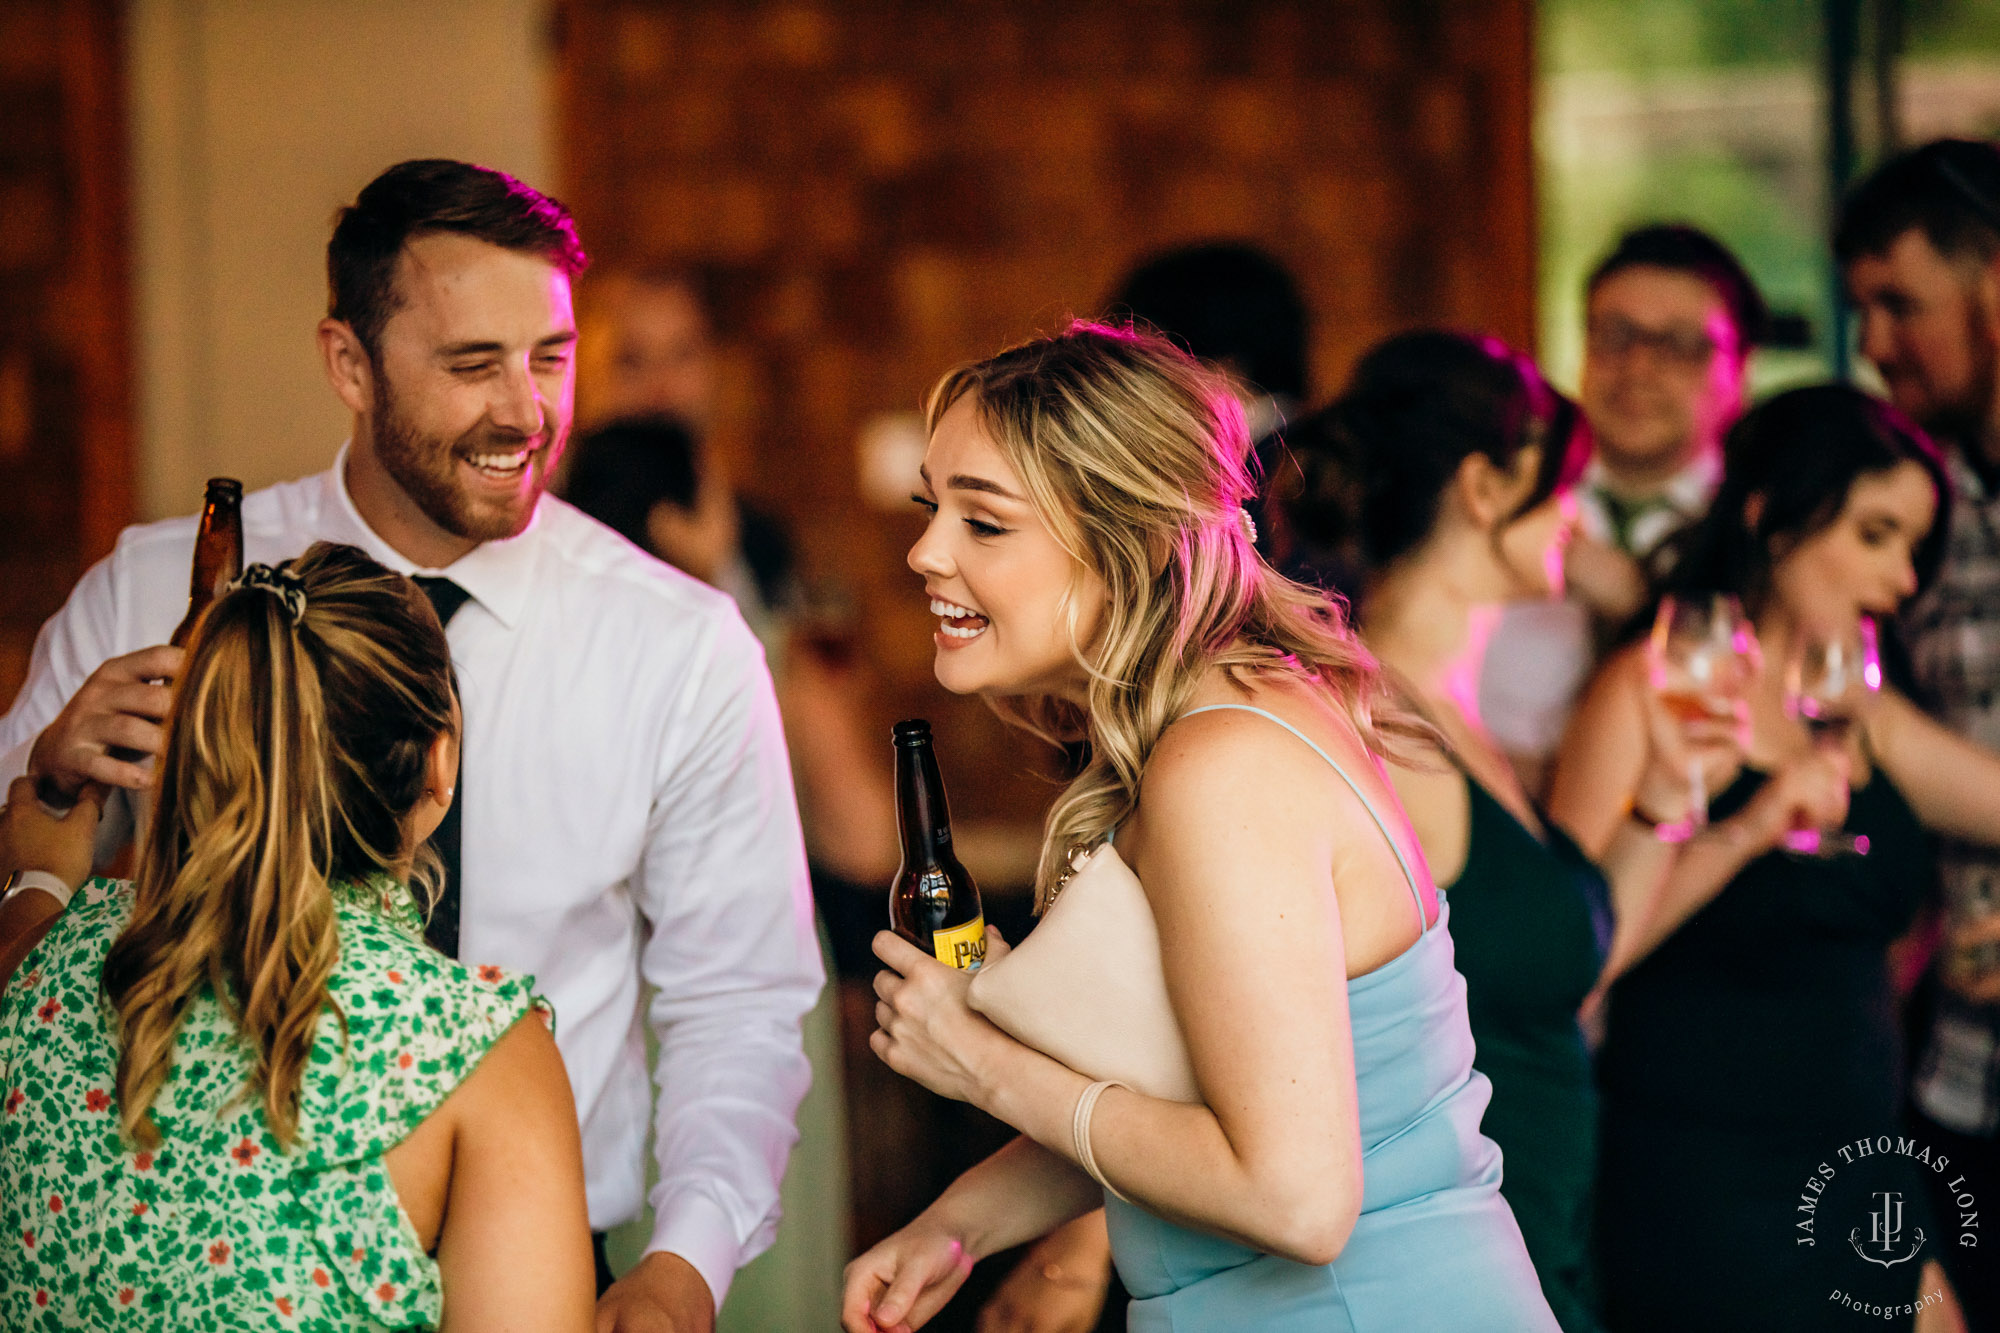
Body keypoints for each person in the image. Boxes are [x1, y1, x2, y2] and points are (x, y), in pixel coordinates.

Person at [0, 160, 821, 1333]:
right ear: (349, 363)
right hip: (182, 1259)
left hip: (551, 1263)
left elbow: (735, 998)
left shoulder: (679, 646)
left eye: (549, 358)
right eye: (471, 364)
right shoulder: (145, 592)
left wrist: (682, 1268)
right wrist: (47, 777)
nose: (526, 412)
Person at [842, 322, 1558, 1332]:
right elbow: (1194, 1101)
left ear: (1123, 541)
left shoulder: (1222, 769)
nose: (925, 551)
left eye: (984, 523)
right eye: (932, 510)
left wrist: (988, 1066)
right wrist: (956, 1224)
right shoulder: (1219, 718)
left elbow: (1293, 1198)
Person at [1282, 330, 1761, 1331]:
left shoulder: (1450, 715)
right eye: (1564, 482)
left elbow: (1556, 970)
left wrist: (1668, 795)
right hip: (1441, 1263)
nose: (1578, 515)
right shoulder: (1378, 732)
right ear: (1483, 488)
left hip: (1535, 1228)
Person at [0, 543, 595, 1329]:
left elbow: (29, 921)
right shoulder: (479, 1056)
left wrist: (37, 870)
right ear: (439, 761)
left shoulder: (37, 966)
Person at [1548, 386, 1987, 1331]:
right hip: (1702, 1166)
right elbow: (1571, 959)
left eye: (1914, 547)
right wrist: (1746, 835)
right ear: (1769, 514)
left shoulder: (1861, 701)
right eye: (1876, 536)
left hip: (1858, 1149)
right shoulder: (1655, 691)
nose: (1904, 578)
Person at [1839, 137, 2000, 1333]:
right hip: (1957, 1064)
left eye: (1899, 303)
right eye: (1860, 310)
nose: (1873, 344)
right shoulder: (1917, 500)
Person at [1483, 225, 1766, 793]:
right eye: (1615, 335)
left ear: (1742, 369)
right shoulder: (1501, 505)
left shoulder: (1765, 529)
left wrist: (1639, 604)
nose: (1638, 367)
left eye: (1681, 345)